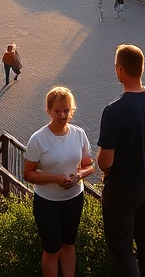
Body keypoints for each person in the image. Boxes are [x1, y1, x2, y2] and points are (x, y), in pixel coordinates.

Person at [96, 44, 145, 277]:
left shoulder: (114, 110)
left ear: (120, 70)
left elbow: (105, 163)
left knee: (121, 247)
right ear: (142, 68)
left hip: (123, 188)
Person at [23, 87, 94, 277]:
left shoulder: (79, 134)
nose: (62, 115)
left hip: (74, 199)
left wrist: (79, 176)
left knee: (69, 245)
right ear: (48, 111)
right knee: (52, 250)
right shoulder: (38, 139)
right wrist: (55, 178)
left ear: (72, 109)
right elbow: (28, 174)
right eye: (57, 111)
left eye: (66, 110)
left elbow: (89, 165)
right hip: (47, 203)